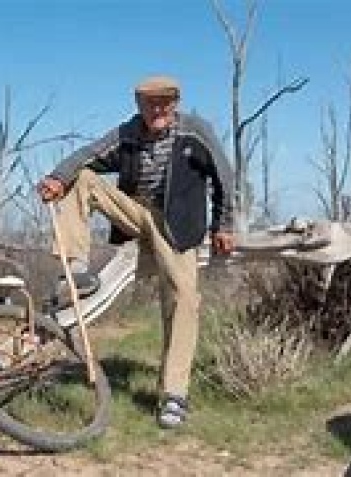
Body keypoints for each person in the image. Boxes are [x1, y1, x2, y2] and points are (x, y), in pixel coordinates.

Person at [37, 75, 235, 428]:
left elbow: (224, 177)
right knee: (80, 178)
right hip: (135, 215)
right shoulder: (128, 133)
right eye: (149, 104)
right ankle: (75, 270)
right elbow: (87, 155)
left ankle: (174, 395)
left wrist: (225, 225)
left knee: (185, 300)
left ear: (174, 103)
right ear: (139, 105)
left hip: (177, 227)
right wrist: (57, 177)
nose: (157, 110)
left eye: (164, 103)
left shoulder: (194, 132)